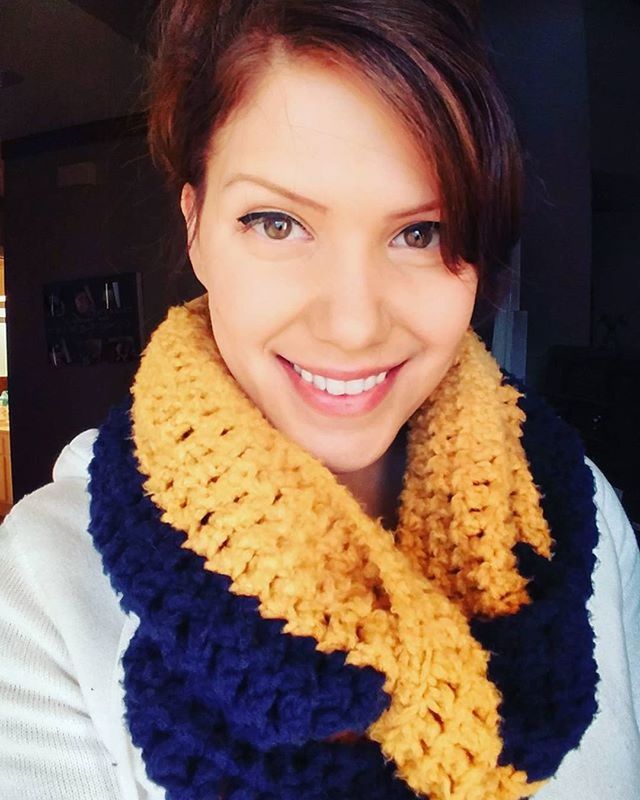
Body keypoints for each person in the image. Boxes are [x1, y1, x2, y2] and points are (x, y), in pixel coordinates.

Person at [1, 1, 638, 798]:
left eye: (422, 233)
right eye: (277, 222)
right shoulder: (44, 584)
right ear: (195, 226)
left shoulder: (578, 520)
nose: (352, 323)